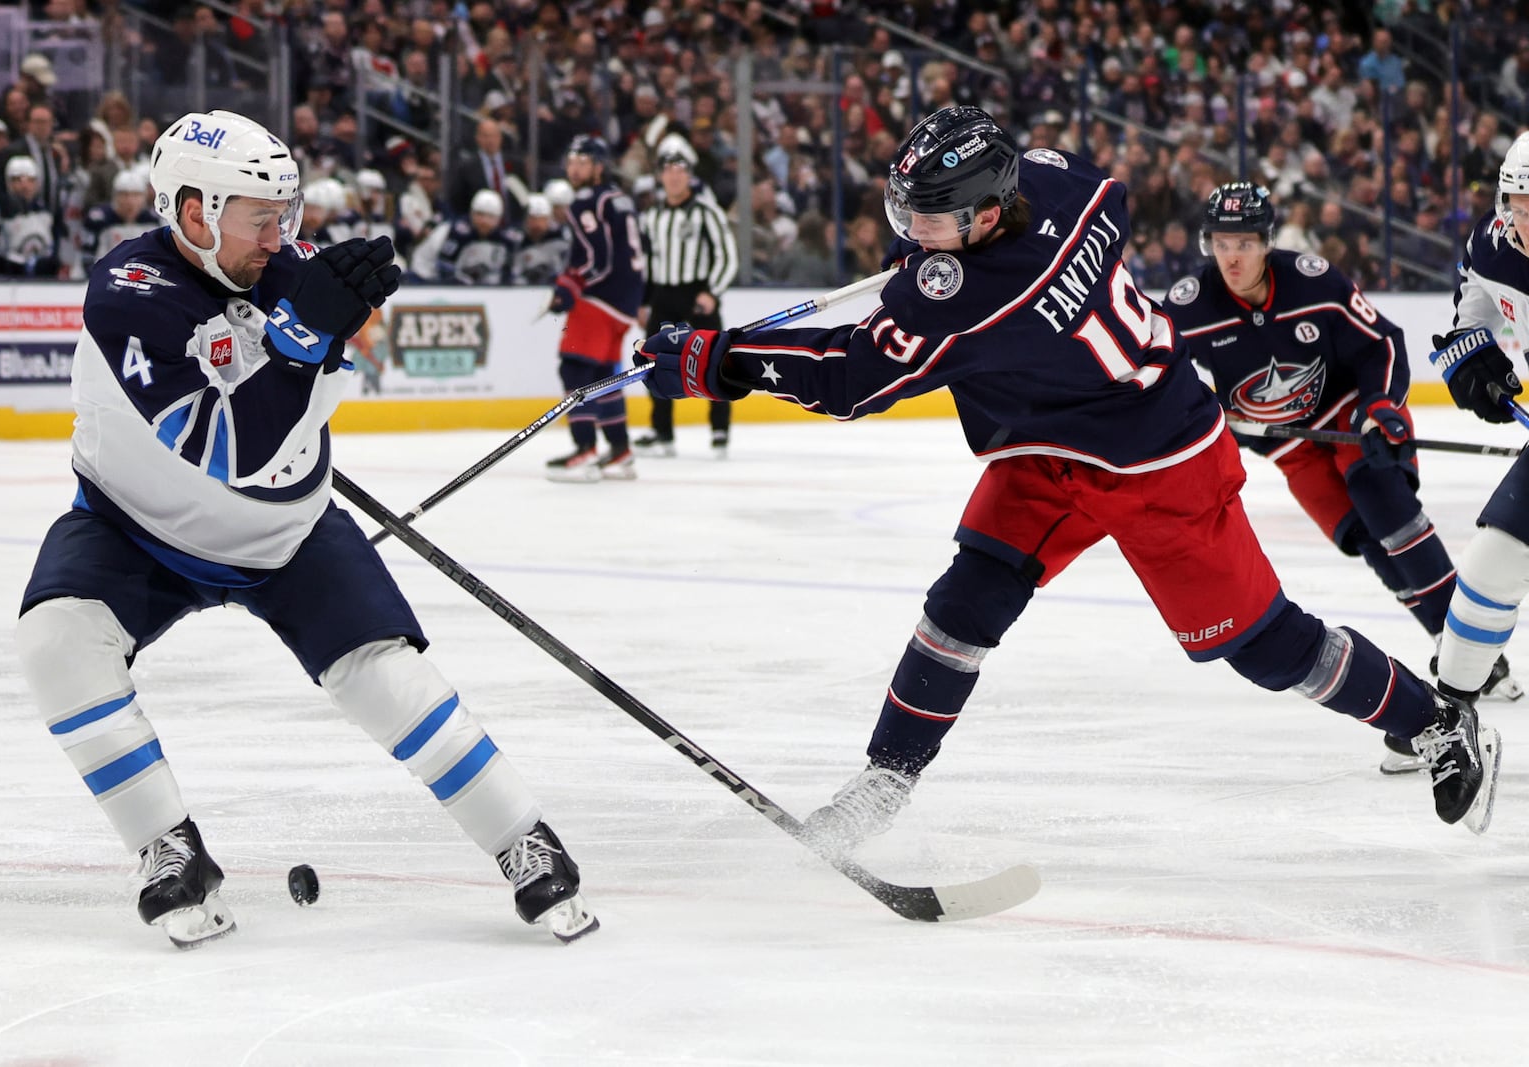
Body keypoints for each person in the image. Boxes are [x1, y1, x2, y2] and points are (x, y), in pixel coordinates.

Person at [634, 106, 1502, 853]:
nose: (913, 238)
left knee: (1262, 643)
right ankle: (884, 784)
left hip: (1158, 459)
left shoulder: (976, 299)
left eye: (932, 223)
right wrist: (931, 263)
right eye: (913, 218)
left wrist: (712, 358)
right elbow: (1099, 196)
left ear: (984, 215)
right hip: (1053, 440)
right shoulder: (1058, 185)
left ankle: (1433, 721)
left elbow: (847, 377)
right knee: (964, 601)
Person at [13, 110, 597, 949]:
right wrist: (303, 335)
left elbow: (297, 395)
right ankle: (166, 843)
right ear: (194, 213)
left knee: (387, 678)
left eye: (284, 217)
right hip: (131, 528)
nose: (279, 237)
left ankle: (521, 837)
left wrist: (316, 325)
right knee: (54, 644)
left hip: (285, 535)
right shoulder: (129, 291)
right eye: (260, 217)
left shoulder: (284, 271)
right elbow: (231, 448)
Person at [1162, 181, 1520, 775]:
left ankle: (1468, 656)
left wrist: (1381, 407)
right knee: (1364, 539)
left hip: (1356, 417)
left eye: (1245, 242)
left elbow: (1383, 341)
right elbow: (1159, 377)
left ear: (1266, 242)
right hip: (1293, 448)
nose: (1233, 256)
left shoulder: (1311, 280)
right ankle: (1466, 648)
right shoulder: (1186, 307)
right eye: (1222, 242)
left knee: (1387, 511)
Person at [1429, 130, 1529, 730]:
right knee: (1491, 561)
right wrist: (1470, 357)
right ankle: (1447, 716)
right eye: (1523, 203)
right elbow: (1472, 305)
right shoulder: (1495, 249)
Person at [544, 135, 645, 482]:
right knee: (603, 374)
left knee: (574, 369)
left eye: (582, 161)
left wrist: (571, 283)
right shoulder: (621, 200)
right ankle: (620, 451)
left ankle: (585, 449)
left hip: (600, 299)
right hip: (624, 302)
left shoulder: (587, 200)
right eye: (571, 161)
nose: (574, 168)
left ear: (599, 167)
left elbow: (597, 260)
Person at [635, 137, 739, 460]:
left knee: (715, 359)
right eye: (668, 169)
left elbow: (727, 256)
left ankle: (719, 430)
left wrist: (712, 292)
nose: (674, 175)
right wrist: (644, 300)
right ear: (660, 176)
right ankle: (662, 432)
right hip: (664, 296)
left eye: (679, 169)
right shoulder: (652, 215)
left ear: (690, 174)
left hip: (697, 294)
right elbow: (648, 261)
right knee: (654, 362)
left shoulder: (706, 213)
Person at [78, 168, 160, 273]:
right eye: (124, 195)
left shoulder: (152, 220)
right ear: (115, 196)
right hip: (104, 277)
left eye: (136, 195)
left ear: (144, 197)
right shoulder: (99, 219)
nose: (130, 201)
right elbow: (87, 256)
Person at [510, 193, 571, 286]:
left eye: (542, 219)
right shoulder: (516, 241)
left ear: (549, 219)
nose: (537, 225)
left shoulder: (561, 239)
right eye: (533, 219)